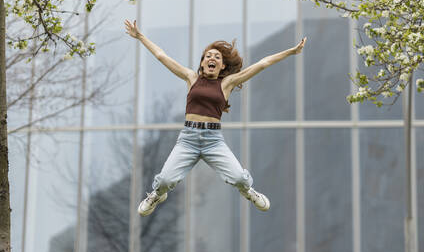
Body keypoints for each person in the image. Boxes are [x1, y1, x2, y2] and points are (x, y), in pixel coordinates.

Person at [124, 19, 306, 217]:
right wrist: (140, 36)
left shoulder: (226, 83)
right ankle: (157, 195)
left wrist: (290, 51)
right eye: (208, 56)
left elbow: (263, 64)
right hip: (188, 139)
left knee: (239, 179)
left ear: (222, 66)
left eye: (217, 57)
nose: (212, 58)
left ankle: (249, 191)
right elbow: (161, 56)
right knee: (165, 181)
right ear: (202, 63)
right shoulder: (191, 78)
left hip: (213, 141)